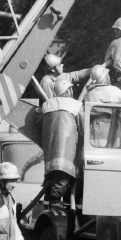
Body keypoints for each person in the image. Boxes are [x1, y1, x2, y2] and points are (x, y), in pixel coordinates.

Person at [41, 79, 84, 210]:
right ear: (68, 90)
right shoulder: (75, 105)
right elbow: (82, 127)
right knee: (63, 176)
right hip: (67, 148)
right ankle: (54, 201)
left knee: (54, 175)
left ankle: (49, 198)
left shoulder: (47, 105)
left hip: (50, 149)